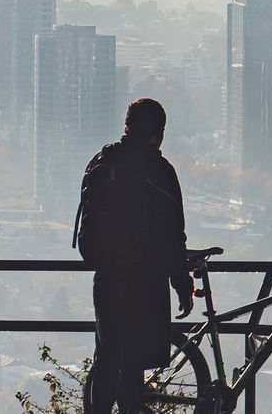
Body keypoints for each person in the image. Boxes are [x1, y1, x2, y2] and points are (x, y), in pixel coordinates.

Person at [73, 98, 195, 413]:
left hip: (108, 276)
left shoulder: (104, 161)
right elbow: (173, 236)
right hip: (146, 280)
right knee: (133, 365)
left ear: (127, 126)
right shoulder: (160, 170)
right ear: (159, 131)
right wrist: (182, 285)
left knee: (108, 359)